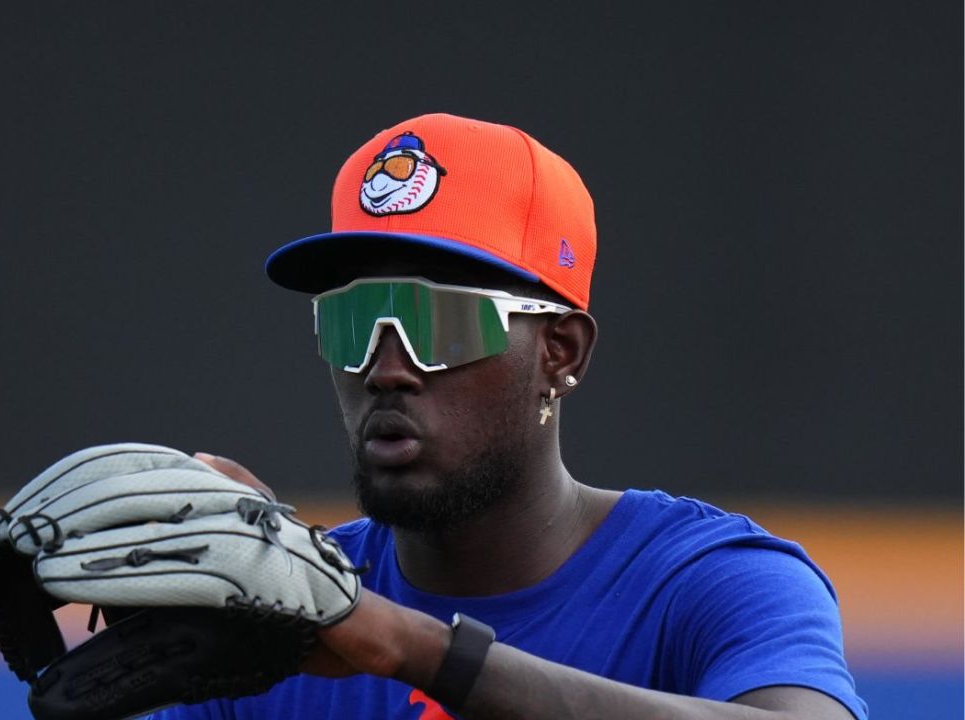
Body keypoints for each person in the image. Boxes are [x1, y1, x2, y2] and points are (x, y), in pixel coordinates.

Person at [148, 113, 866, 719]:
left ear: (561, 352)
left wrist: (420, 651)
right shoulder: (274, 624)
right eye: (354, 320)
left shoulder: (705, 583)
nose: (387, 367)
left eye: (444, 323)